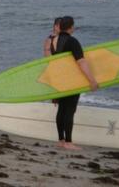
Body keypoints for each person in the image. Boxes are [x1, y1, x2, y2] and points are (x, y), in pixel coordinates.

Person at [51, 16, 98, 150]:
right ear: (71, 27)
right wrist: (92, 80)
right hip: (71, 81)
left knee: (61, 110)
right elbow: (81, 62)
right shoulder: (72, 41)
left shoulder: (53, 40)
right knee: (69, 111)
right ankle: (69, 142)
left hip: (59, 80)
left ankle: (61, 140)